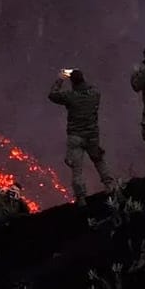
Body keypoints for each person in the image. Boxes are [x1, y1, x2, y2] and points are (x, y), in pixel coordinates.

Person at [49, 68, 117, 205]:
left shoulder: (70, 96)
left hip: (75, 136)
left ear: (72, 82)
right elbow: (95, 89)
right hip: (92, 136)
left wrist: (61, 78)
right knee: (99, 161)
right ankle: (111, 187)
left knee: (77, 169)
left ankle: (81, 198)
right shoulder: (94, 94)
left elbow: (52, 95)